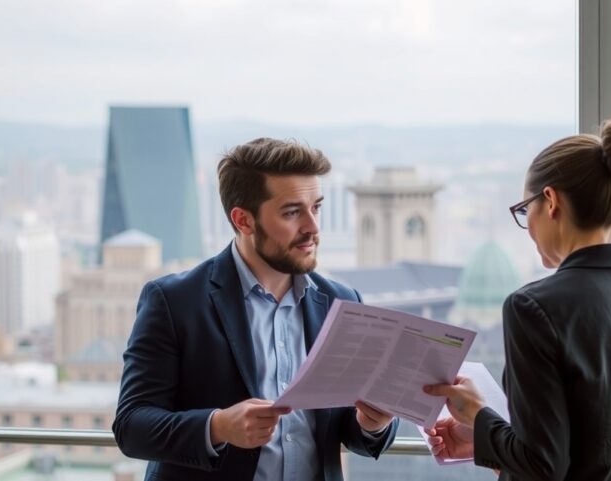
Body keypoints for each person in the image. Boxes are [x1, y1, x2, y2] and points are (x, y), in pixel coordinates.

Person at [113, 138, 398, 481]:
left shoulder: (342, 302)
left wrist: (372, 423)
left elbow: (345, 432)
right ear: (244, 220)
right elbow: (132, 426)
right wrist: (217, 426)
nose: (312, 227)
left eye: (316, 207)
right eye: (292, 212)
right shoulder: (174, 301)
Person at [424, 119, 611, 481]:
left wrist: (478, 414)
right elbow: (608, 443)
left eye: (524, 211)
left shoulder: (535, 307)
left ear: (550, 202)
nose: (528, 227)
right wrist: (489, 441)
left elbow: (544, 466)